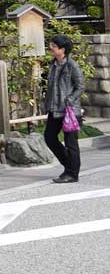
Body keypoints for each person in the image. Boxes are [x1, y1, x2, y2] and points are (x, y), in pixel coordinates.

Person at [44, 34, 84, 183]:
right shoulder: (52, 64)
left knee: (71, 143)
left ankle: (72, 174)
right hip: (54, 109)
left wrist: (70, 99)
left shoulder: (71, 65)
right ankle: (70, 166)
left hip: (69, 111)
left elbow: (80, 86)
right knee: (49, 137)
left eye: (54, 46)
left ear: (63, 49)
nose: (51, 48)